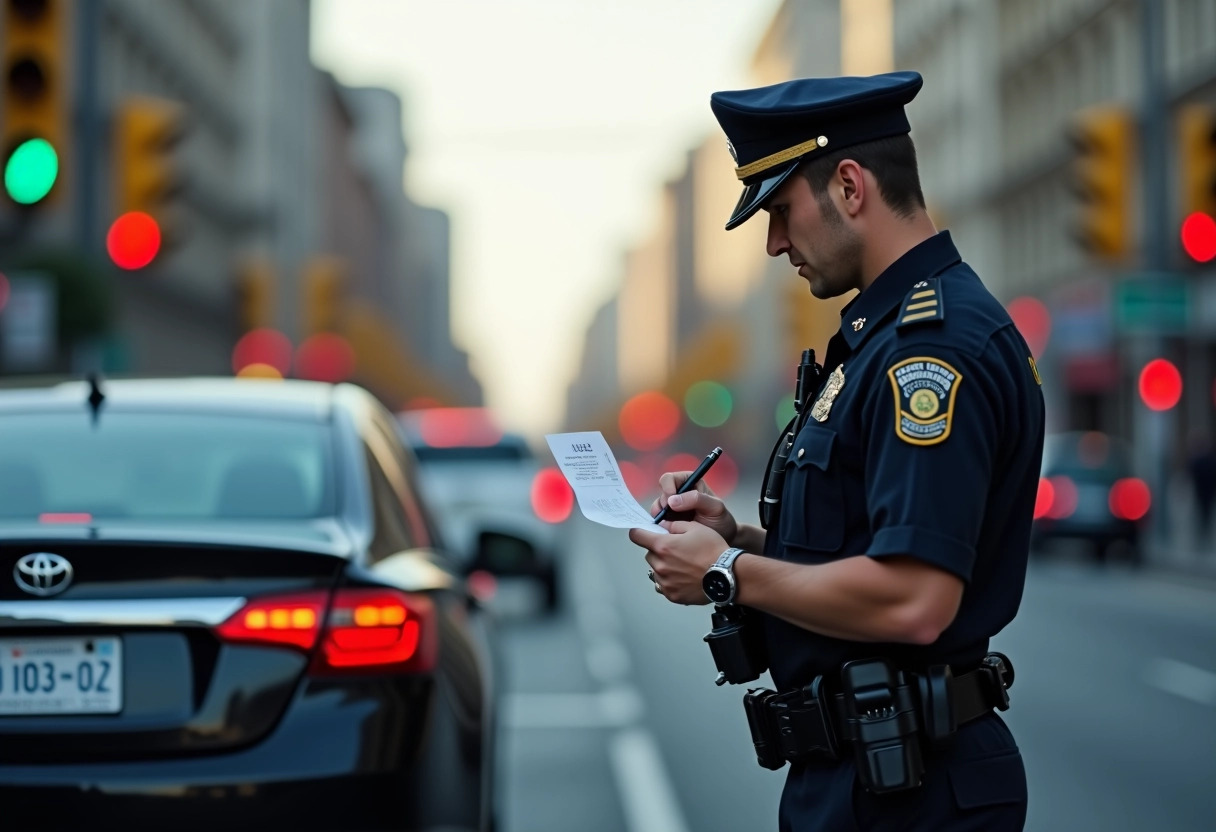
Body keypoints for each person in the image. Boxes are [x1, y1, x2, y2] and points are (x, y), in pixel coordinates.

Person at [629, 71, 1045, 832]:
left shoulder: (932, 352)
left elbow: (917, 598)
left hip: (914, 791)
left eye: (781, 210)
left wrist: (727, 574)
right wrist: (741, 538)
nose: (775, 242)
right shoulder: (877, 343)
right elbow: (867, 539)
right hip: (871, 779)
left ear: (850, 186)